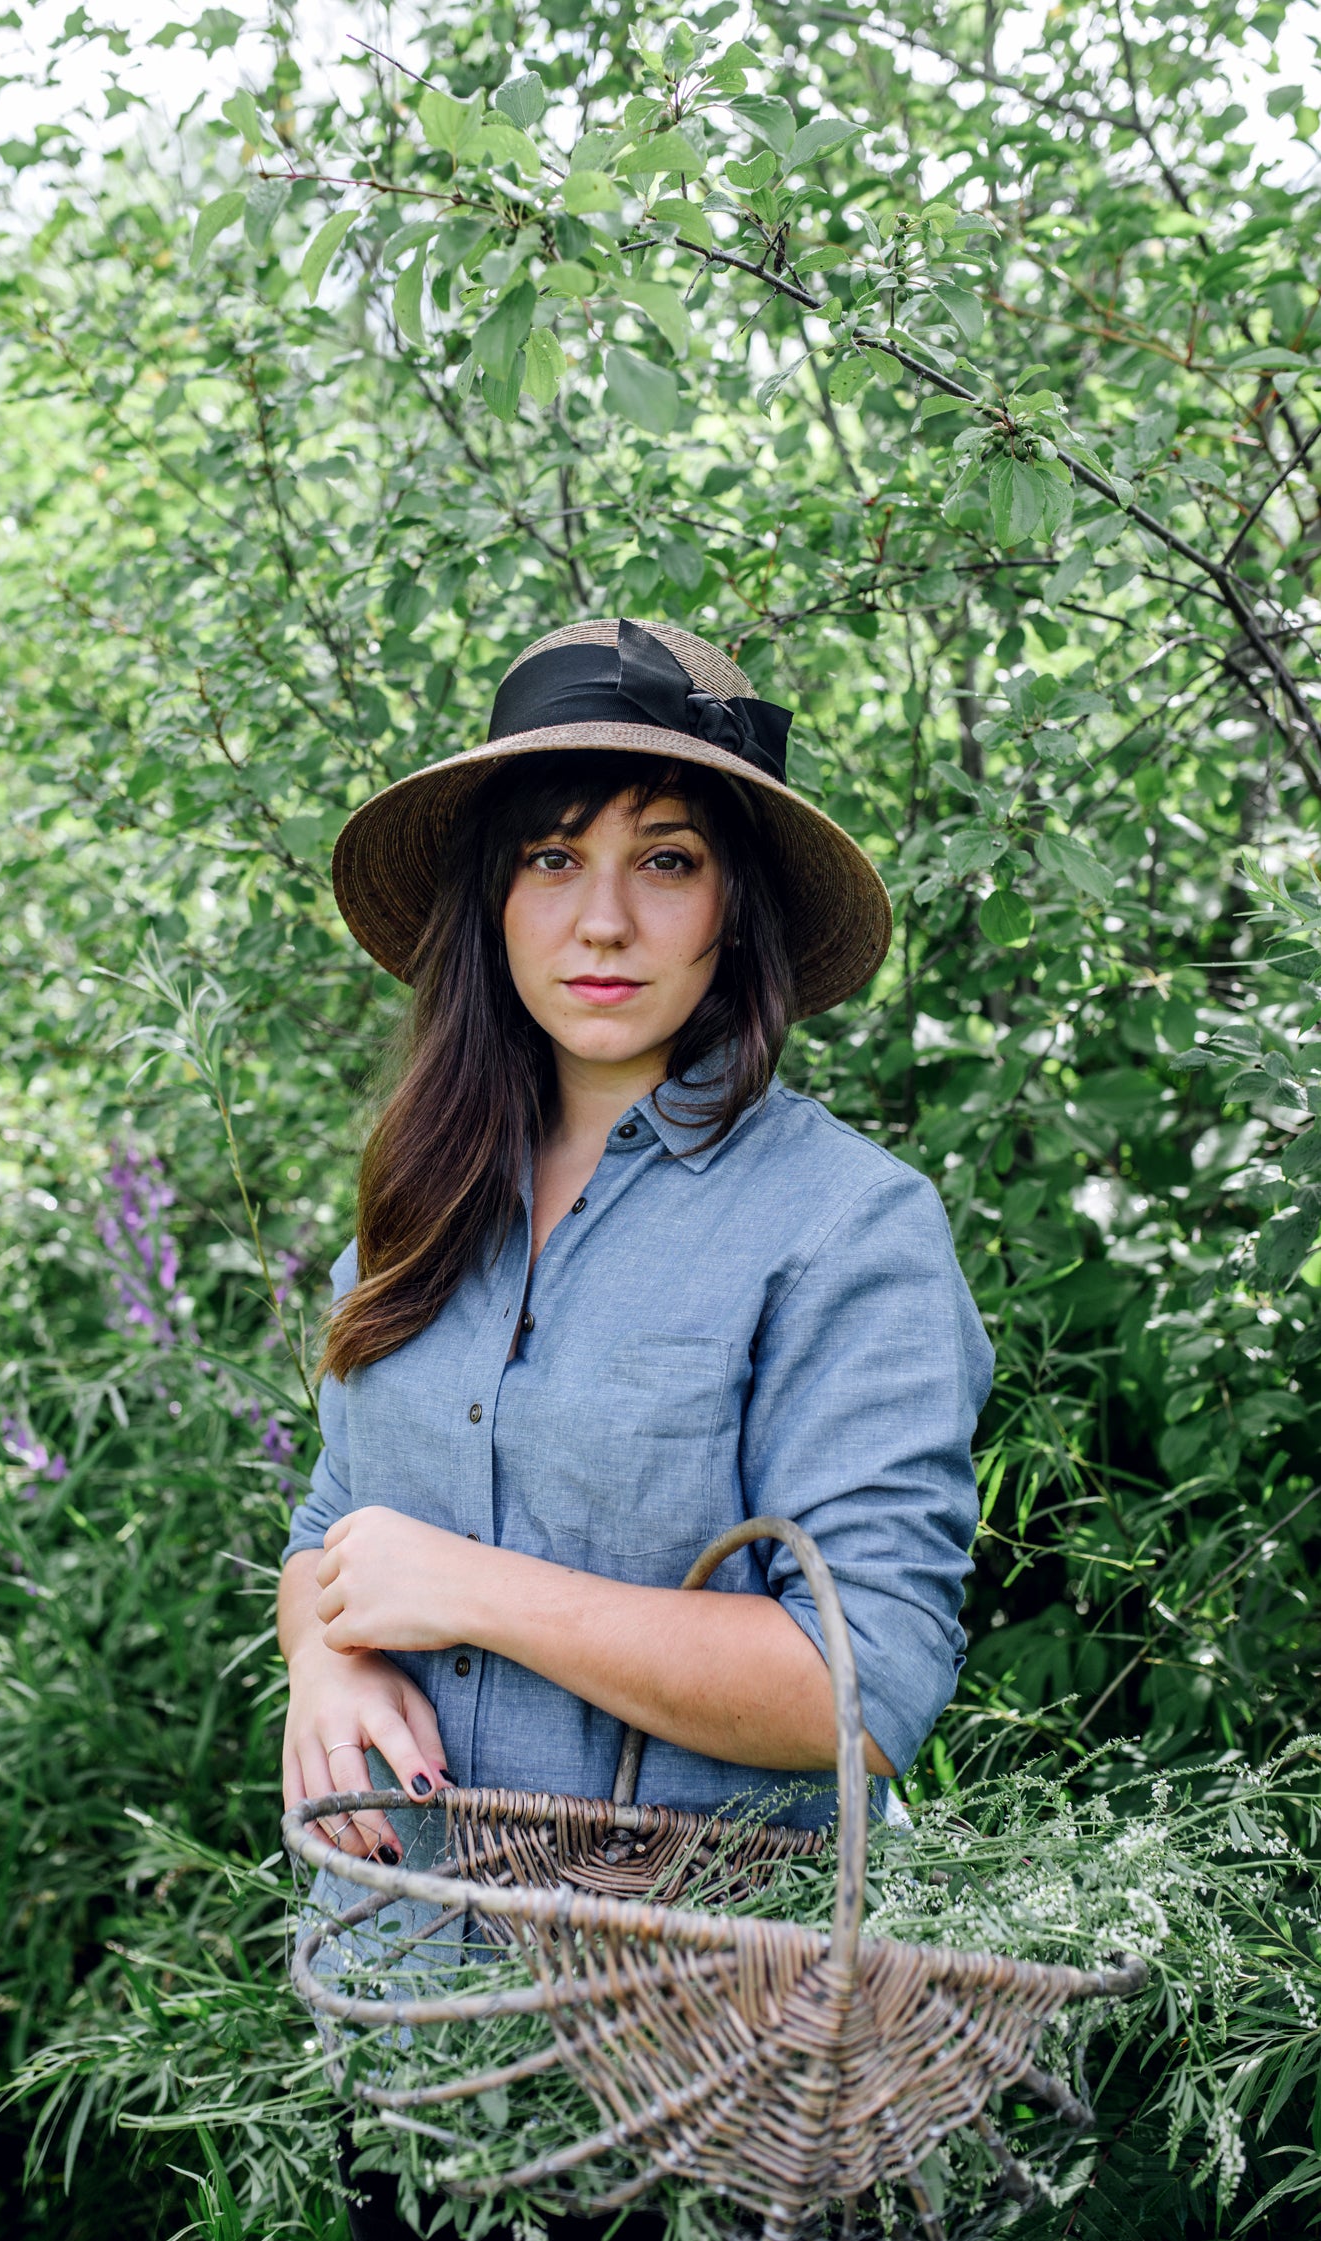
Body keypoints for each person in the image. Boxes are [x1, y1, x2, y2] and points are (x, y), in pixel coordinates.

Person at [277, 618, 993, 2239]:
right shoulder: (420, 1204)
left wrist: (460, 1587)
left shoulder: (851, 1227)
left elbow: (859, 1687)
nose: (602, 917)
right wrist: (323, 1652)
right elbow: (333, 1525)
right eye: (552, 858)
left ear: (734, 904)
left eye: (664, 859)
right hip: (407, 2032)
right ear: (493, 900)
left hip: (688, 2080)